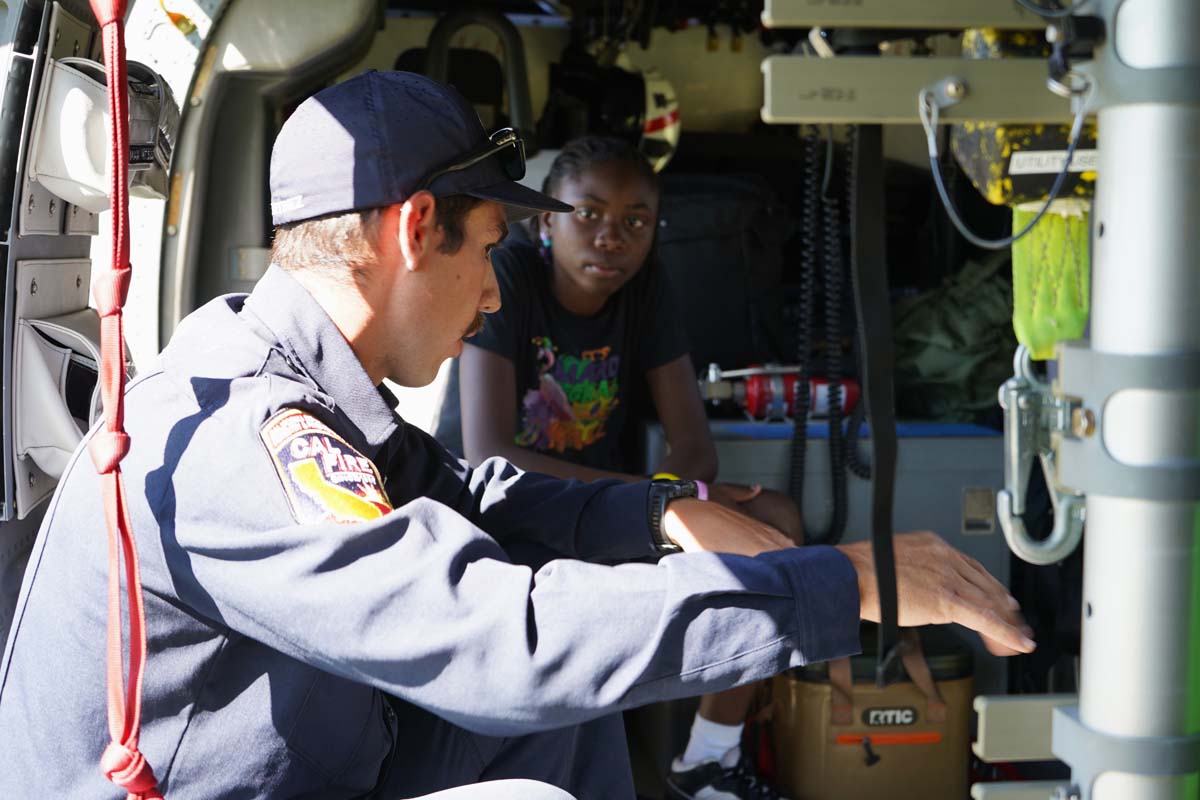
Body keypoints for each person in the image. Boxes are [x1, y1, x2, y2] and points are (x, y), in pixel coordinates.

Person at [0, 71, 1034, 800]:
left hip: (319, 757)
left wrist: (663, 509)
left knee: (556, 718)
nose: (496, 292)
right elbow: (502, 638)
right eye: (490, 248)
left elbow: (472, 494)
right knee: (536, 693)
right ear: (413, 230)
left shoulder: (298, 377)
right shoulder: (248, 434)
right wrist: (842, 582)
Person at [456, 135, 802, 799]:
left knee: (774, 518)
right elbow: (491, 456)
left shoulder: (645, 292)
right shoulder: (510, 280)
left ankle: (708, 760)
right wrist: (659, 502)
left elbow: (695, 450)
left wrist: (673, 504)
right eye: (587, 215)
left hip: (614, 512)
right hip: (511, 508)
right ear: (547, 221)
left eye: (635, 222)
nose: (610, 237)